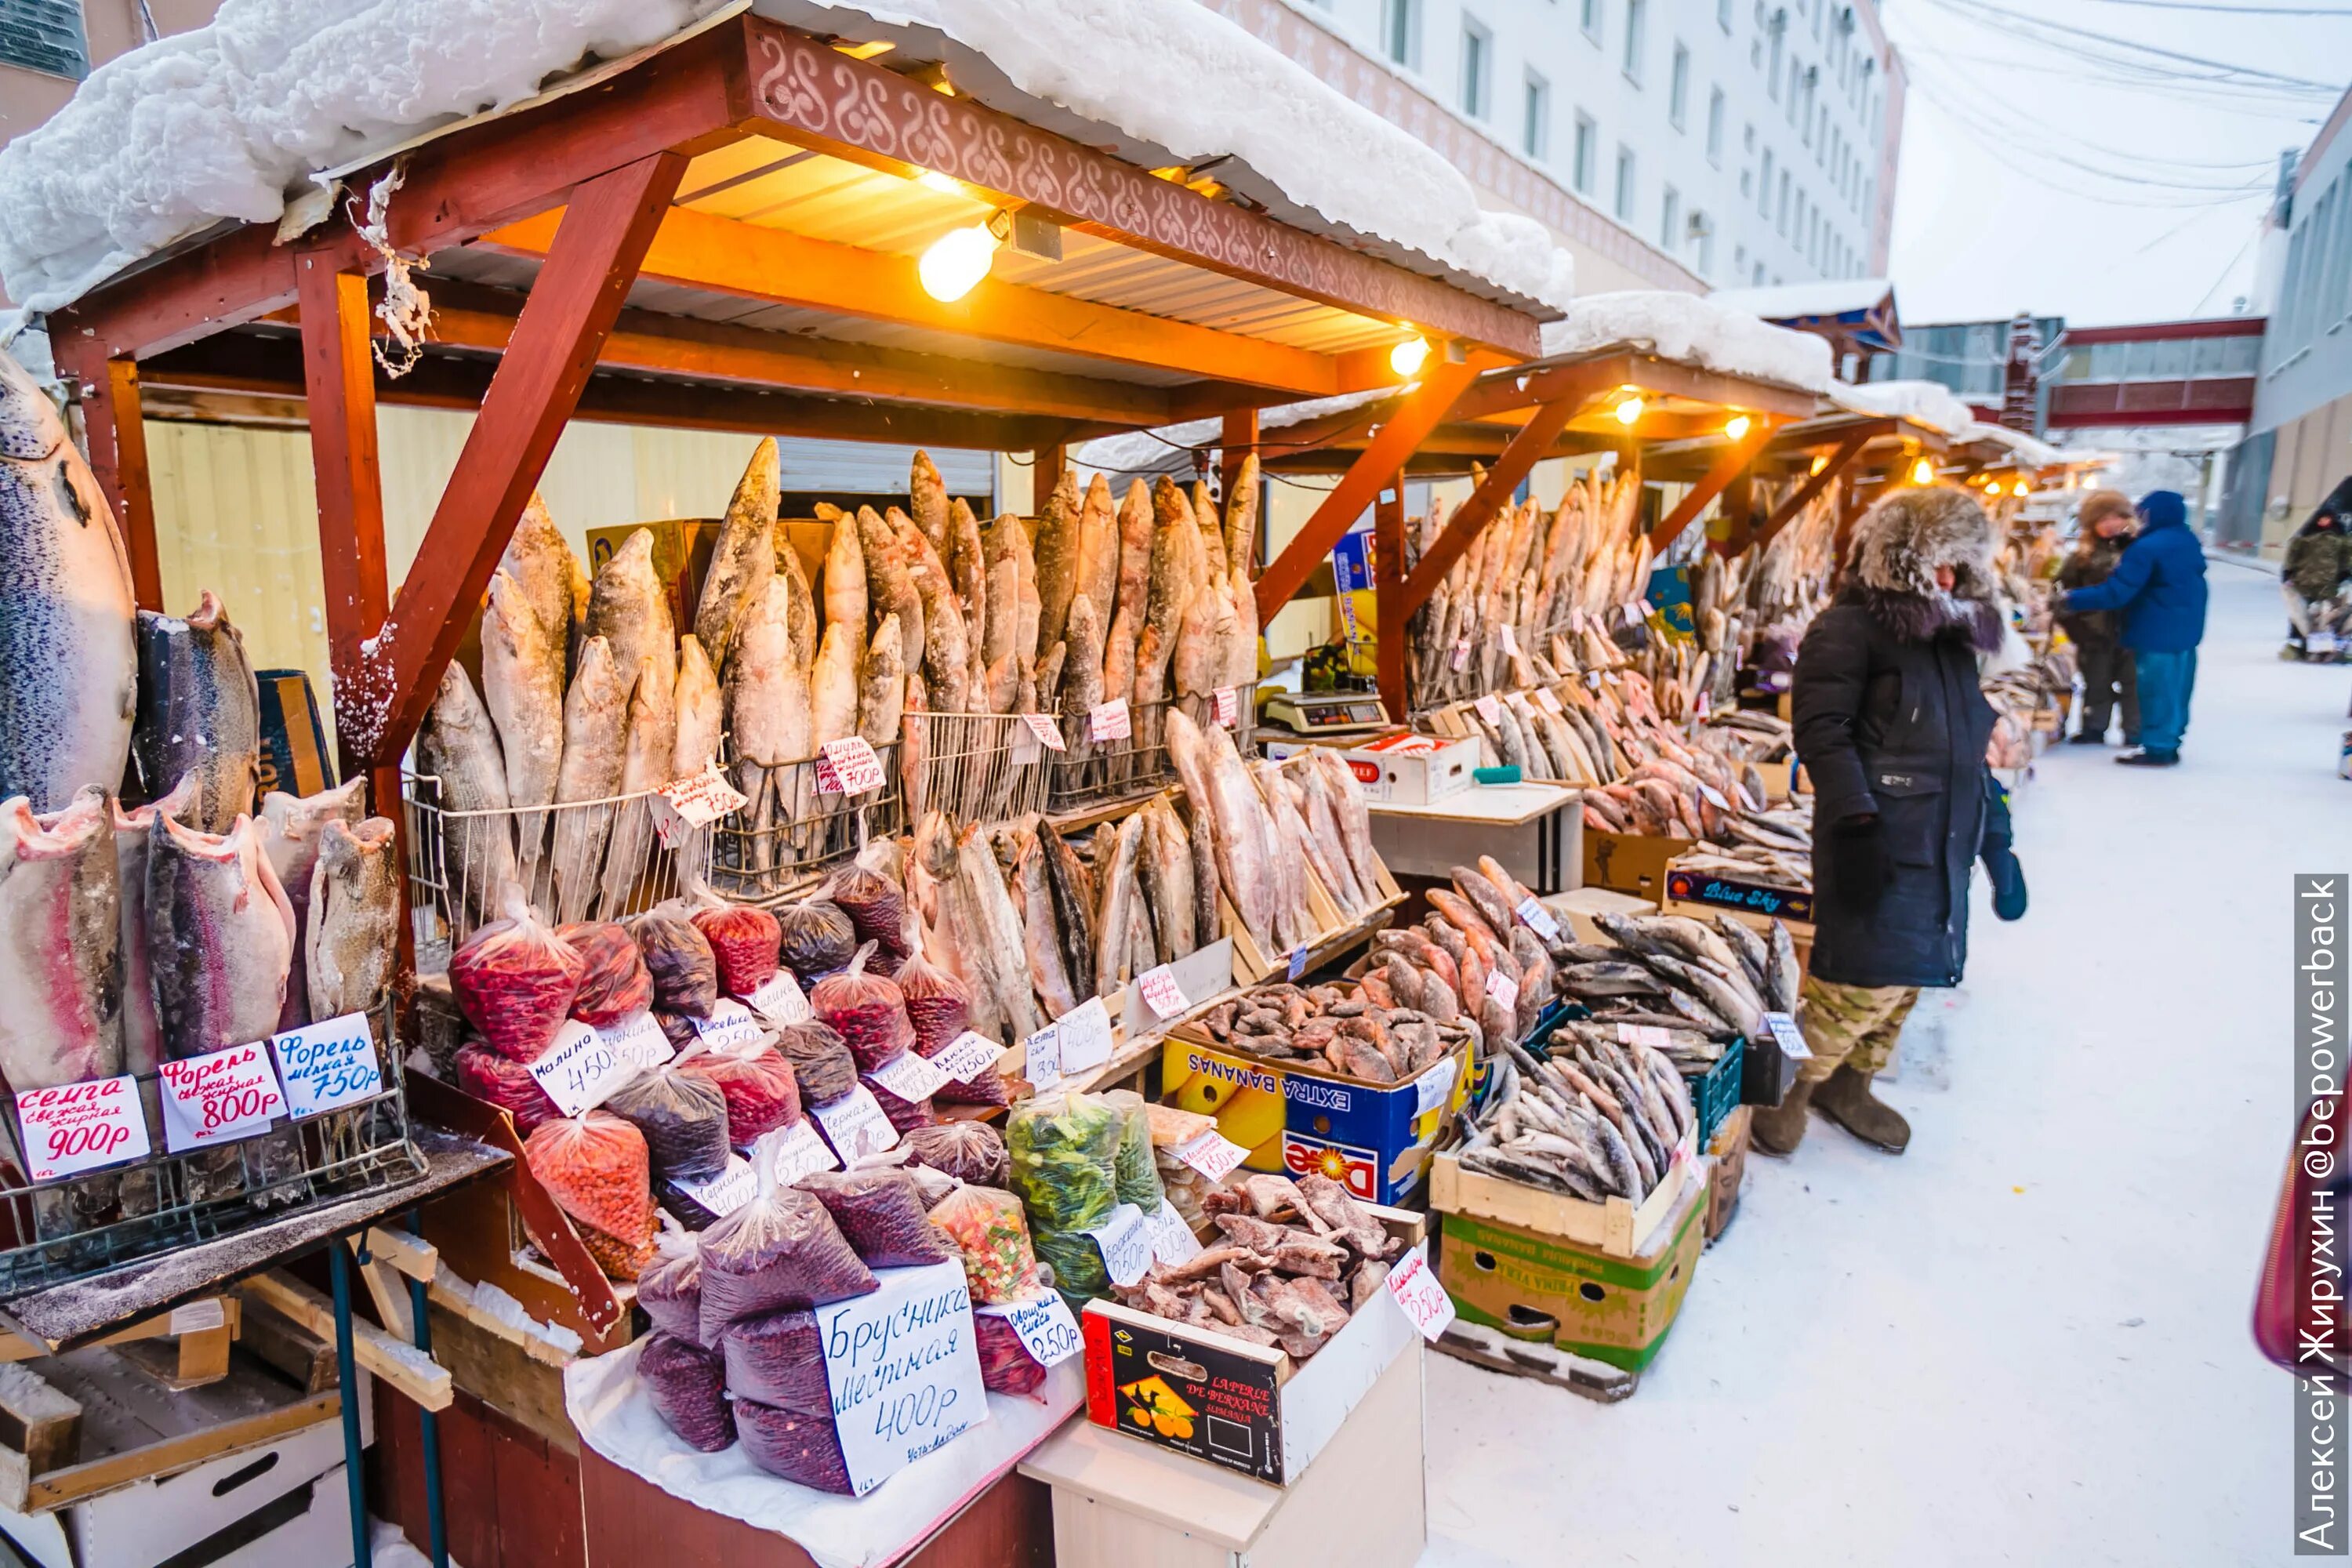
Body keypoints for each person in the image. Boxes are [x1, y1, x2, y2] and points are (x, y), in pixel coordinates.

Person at [1756, 488, 2027, 1158]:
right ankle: (1786, 1087)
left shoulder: (1951, 638)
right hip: (1878, 835)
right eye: (1936, 564)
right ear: (1900, 561)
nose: (1947, 580)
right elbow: (1822, 732)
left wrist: (1999, 844)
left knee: (1912, 976)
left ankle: (1852, 1084)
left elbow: (1967, 746)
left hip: (1944, 838)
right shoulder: (1845, 629)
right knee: (1855, 981)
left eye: (1959, 568)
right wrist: (1855, 821)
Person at [2056, 489, 2209, 768]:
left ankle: (2157, 747)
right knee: (2175, 690)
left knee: (2153, 689)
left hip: (2154, 629)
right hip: (2183, 630)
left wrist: (2072, 599)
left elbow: (2118, 592)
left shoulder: (2146, 547)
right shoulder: (2186, 541)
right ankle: (2168, 741)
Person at [2054, 489, 2140, 746]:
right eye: (2103, 520)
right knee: (2096, 681)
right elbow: (2061, 590)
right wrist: (2074, 625)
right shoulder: (2082, 557)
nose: (2111, 525)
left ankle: (2135, 730)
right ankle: (2094, 725)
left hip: (2133, 628)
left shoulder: (2139, 550)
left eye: (2116, 517)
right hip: (2094, 631)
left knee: (2133, 683)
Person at [2281, 503, 2350, 659]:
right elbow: (2292, 556)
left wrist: (2344, 573)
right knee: (2301, 615)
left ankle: (2323, 645)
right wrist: (2288, 571)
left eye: (2327, 519)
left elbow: (2345, 557)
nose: (2324, 522)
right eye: (2322, 519)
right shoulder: (2304, 538)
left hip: (2328, 584)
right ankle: (2298, 642)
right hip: (2304, 582)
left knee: (2325, 615)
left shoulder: (2339, 538)